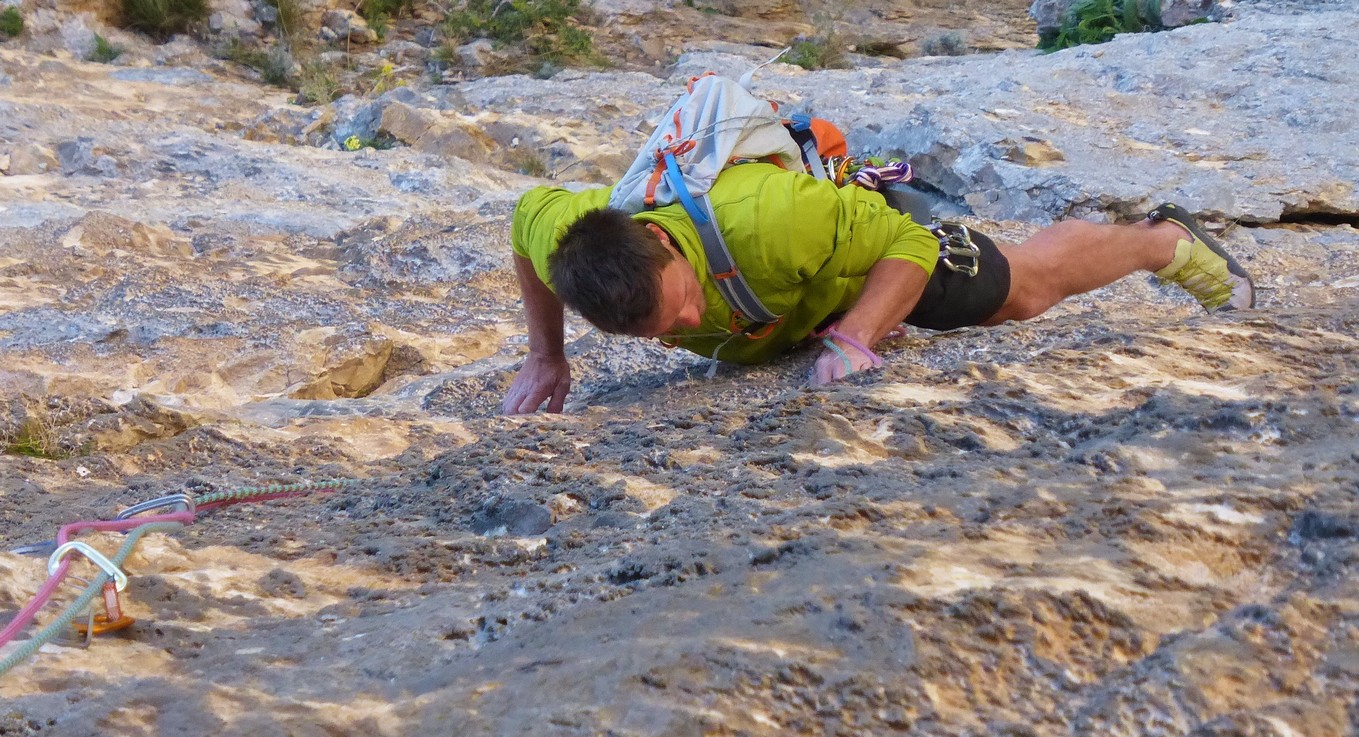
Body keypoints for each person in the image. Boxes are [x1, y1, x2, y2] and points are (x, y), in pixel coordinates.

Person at [501, 161, 1254, 415]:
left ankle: (1167, 243)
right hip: (786, 309)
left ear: (660, 239)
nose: (693, 321)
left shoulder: (772, 218)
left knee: (1023, 289)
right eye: (668, 328)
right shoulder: (568, 232)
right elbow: (523, 226)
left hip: (856, 262)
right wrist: (546, 355)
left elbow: (909, 240)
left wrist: (856, 330)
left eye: (686, 299)